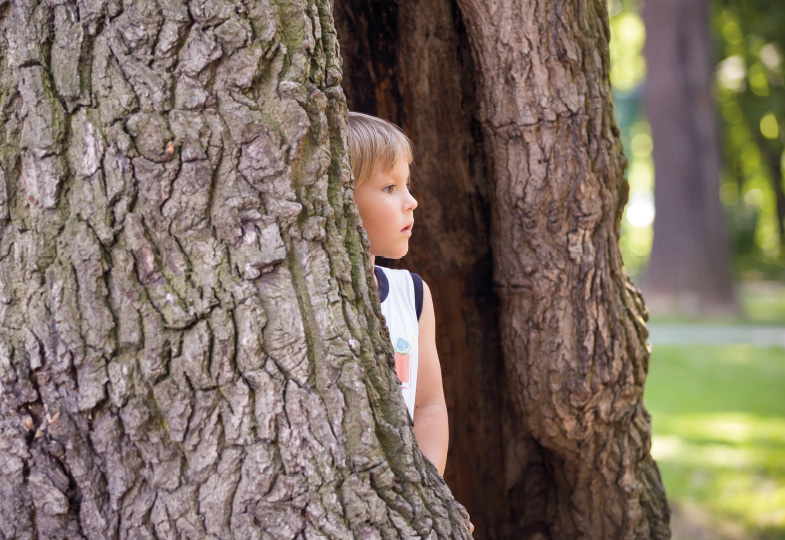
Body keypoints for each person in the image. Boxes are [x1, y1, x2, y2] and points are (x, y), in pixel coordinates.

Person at [346, 112, 449, 476]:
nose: (411, 202)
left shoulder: (413, 294)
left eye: (406, 185)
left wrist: (431, 493)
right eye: (390, 188)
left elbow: (428, 406)